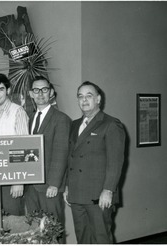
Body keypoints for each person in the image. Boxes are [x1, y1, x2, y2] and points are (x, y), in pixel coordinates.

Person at [64, 81, 126, 244]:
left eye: (89, 96)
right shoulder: (74, 124)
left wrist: (108, 190)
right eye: (80, 96)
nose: (84, 100)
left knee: (101, 238)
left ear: (98, 99)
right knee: (83, 238)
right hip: (76, 195)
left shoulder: (111, 124)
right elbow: (71, 158)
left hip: (98, 196)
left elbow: (116, 162)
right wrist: (68, 187)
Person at [24, 76, 71, 242]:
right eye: (36, 90)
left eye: (44, 89)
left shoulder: (61, 119)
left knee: (53, 230)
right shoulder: (28, 119)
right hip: (31, 188)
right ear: (31, 94)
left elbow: (61, 152)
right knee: (34, 232)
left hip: (50, 187)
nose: (40, 94)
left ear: (51, 92)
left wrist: (55, 183)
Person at [0, 73, 29, 216]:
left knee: (12, 222)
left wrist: (19, 181)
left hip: (11, 178)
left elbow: (24, 147)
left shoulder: (18, 111)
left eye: (1, 89)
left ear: (8, 90)